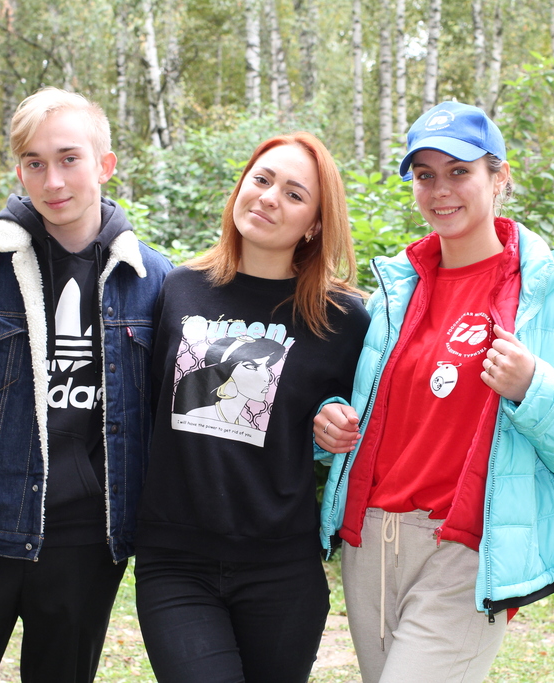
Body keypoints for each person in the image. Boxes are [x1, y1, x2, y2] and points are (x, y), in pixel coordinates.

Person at [313, 101, 554, 682]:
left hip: (466, 550)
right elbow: (352, 410)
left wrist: (533, 387)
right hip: (369, 542)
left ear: (499, 177)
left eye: (459, 171)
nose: (440, 190)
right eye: (424, 175)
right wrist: (327, 423)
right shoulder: (391, 297)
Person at [0, 87, 171, 683]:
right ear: (19, 171)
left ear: (105, 164)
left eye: (69, 158)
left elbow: (172, 420)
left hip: (87, 545)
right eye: (35, 163)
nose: (53, 181)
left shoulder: (154, 279)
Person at [134, 131, 370, 683]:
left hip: (282, 568)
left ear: (315, 224)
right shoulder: (178, 288)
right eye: (261, 180)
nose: (268, 197)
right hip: (176, 560)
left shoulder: (343, 318)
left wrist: (332, 425)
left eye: (293, 193)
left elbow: (357, 421)